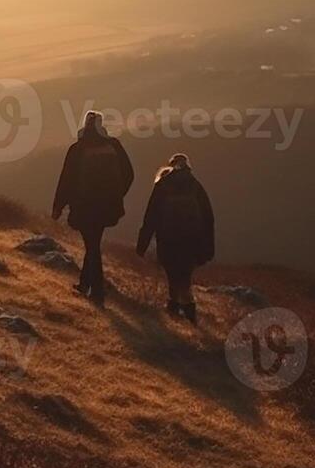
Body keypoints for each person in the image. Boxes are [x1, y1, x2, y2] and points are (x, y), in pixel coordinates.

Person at [52, 111, 134, 305]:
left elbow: (66, 180)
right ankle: (85, 284)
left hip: (84, 206)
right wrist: (117, 195)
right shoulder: (113, 145)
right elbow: (129, 174)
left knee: (92, 245)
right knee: (93, 243)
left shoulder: (77, 149)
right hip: (107, 207)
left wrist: (58, 207)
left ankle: (96, 292)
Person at [136, 153, 215, 321]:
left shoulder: (162, 185)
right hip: (192, 240)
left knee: (173, 275)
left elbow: (151, 216)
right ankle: (189, 314)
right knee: (185, 276)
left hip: (168, 239)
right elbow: (208, 218)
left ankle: (174, 309)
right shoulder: (195, 186)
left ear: (171, 165)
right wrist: (209, 247)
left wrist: (142, 245)